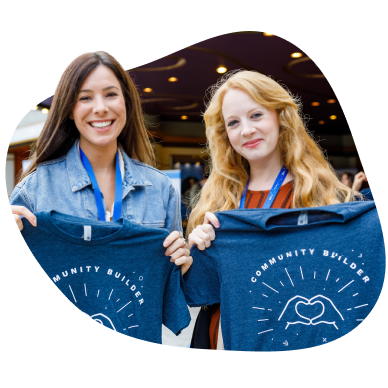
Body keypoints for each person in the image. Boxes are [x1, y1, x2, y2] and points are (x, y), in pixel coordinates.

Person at [185, 70, 359, 350]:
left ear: (280, 116)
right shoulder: (217, 201)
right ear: (225, 134)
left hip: (297, 335)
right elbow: (196, 292)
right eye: (233, 122)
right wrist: (193, 252)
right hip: (227, 338)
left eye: (256, 115)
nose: (246, 130)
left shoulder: (327, 197)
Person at [9, 51, 192, 275]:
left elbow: (172, 289)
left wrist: (182, 268)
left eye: (111, 94)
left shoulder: (161, 189)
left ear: (126, 101)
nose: (101, 108)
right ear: (69, 109)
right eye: (85, 97)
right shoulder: (34, 191)